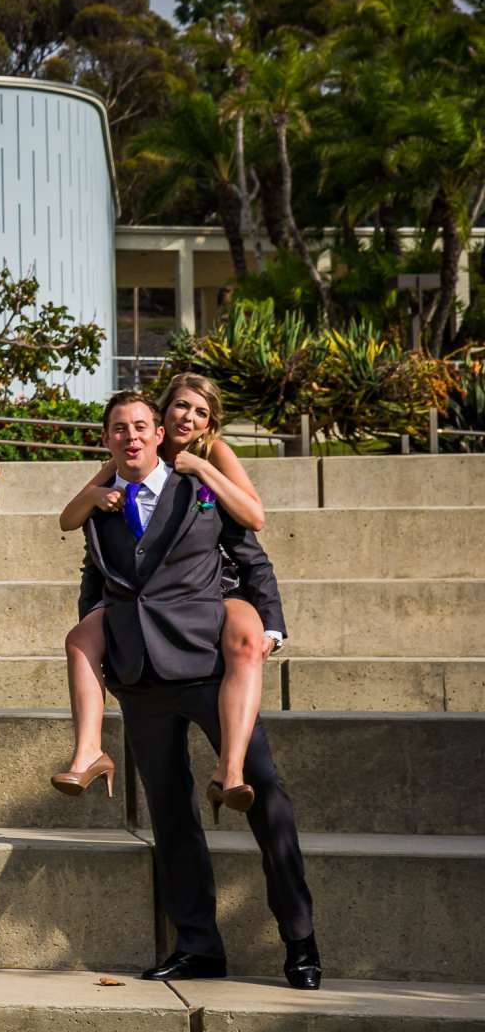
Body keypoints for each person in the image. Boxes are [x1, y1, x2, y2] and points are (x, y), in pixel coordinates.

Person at [79, 392, 317, 989]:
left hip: (212, 667)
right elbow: (95, 581)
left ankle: (300, 941)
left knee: (265, 796)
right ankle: (198, 946)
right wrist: (108, 654)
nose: (130, 437)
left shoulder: (202, 488)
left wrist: (270, 625)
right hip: (141, 678)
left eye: (140, 426)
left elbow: (251, 557)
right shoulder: (101, 501)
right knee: (171, 817)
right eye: (118, 429)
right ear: (108, 438)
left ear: (158, 432)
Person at [52, 372, 280, 806]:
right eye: (181, 406)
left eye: (200, 413)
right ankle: (88, 752)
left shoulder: (210, 455)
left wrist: (203, 467)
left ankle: (230, 770)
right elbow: (72, 520)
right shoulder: (127, 452)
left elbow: (253, 522)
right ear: (164, 412)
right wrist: (100, 495)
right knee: (80, 639)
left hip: (215, 581)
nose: (188, 418)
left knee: (248, 639)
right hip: (145, 607)